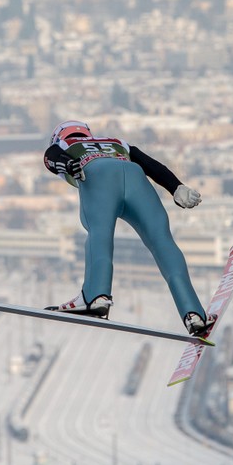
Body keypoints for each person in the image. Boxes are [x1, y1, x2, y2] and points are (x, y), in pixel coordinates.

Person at [42, 119, 215, 336]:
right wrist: (176, 187)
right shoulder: (117, 142)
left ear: (59, 137)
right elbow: (152, 165)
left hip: (97, 176)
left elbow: (52, 159)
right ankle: (194, 313)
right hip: (135, 178)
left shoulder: (64, 146)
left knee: (100, 234)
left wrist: (68, 164)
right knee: (162, 241)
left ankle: (95, 296)